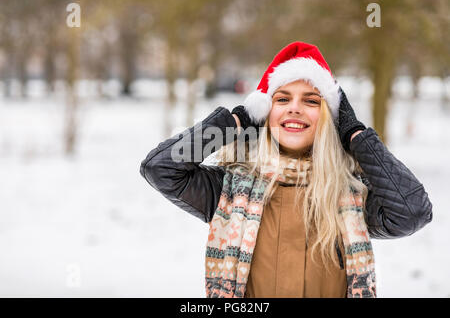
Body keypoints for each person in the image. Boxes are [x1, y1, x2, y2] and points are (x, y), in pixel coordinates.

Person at [140, 41, 433, 298]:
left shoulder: (353, 194)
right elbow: (160, 167)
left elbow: (412, 212)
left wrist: (355, 134)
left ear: (331, 118)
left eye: (311, 101)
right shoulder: (226, 190)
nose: (294, 108)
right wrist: (235, 120)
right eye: (281, 99)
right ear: (265, 113)